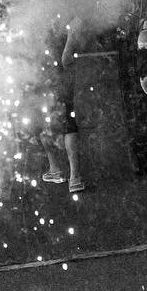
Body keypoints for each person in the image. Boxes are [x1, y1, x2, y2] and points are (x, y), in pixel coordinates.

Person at [39, 15, 87, 193]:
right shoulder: (52, 0)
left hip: (55, 67)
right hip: (53, 66)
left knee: (53, 118)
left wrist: (67, 49)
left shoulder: (55, 3)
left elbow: (75, 21)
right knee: (56, 117)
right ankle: (61, 172)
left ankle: (68, 174)